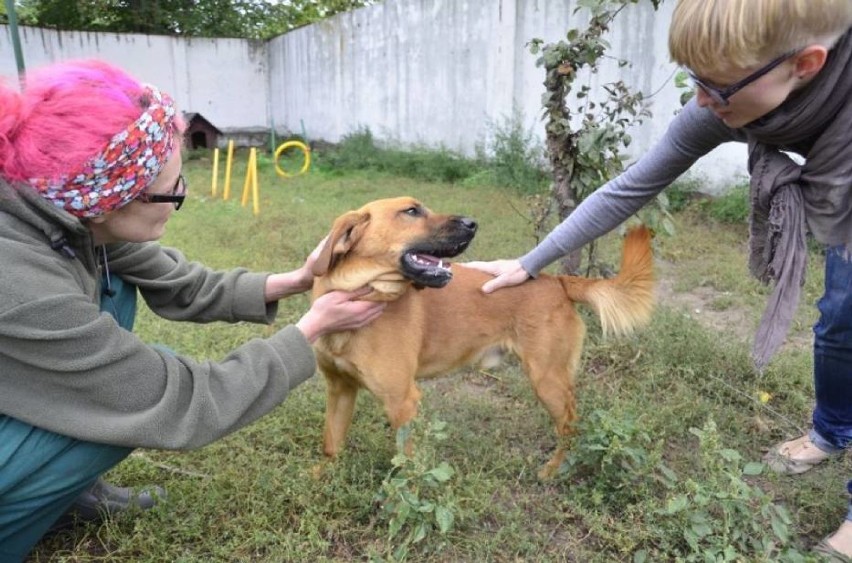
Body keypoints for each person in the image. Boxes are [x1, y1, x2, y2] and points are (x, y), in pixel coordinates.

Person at [465, 0, 852, 557]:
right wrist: (529, 262)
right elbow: (629, 187)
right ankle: (832, 431)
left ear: (806, 65)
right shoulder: (720, 105)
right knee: (839, 320)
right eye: (694, 79)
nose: (699, 101)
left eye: (716, 88)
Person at [0, 59, 385, 560]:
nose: (181, 195)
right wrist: (310, 330)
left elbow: (182, 282)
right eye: (172, 190)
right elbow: (175, 401)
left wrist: (299, 280)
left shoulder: (62, 206)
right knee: (124, 412)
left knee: (115, 287)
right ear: (111, 199)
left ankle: (68, 494)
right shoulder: (21, 279)